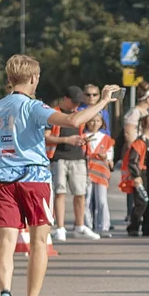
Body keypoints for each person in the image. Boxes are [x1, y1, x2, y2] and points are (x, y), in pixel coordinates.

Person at [0, 55, 118, 296]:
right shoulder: (34, 107)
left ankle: (6, 294)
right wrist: (101, 102)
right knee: (38, 242)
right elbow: (74, 120)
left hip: (4, 179)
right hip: (35, 179)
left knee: (5, 242)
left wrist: (4, 164)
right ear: (33, 78)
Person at [47, 86, 99, 241]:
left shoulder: (79, 114)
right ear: (66, 99)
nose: (76, 106)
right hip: (58, 157)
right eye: (74, 102)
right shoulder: (53, 114)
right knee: (60, 192)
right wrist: (66, 140)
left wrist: (83, 140)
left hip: (78, 157)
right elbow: (46, 136)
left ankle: (80, 226)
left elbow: (83, 131)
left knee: (80, 193)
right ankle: (60, 227)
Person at [121, 115, 149, 237]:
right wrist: (136, 176)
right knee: (142, 200)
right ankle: (133, 226)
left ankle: (148, 227)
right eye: (148, 123)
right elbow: (132, 160)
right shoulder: (139, 142)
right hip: (141, 173)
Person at [83, 113, 114, 237]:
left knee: (101, 200)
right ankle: (87, 225)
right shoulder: (83, 137)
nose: (94, 123)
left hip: (101, 171)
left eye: (97, 121)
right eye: (91, 120)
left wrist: (106, 156)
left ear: (102, 123)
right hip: (87, 170)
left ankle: (103, 226)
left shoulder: (105, 138)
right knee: (87, 199)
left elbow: (110, 154)